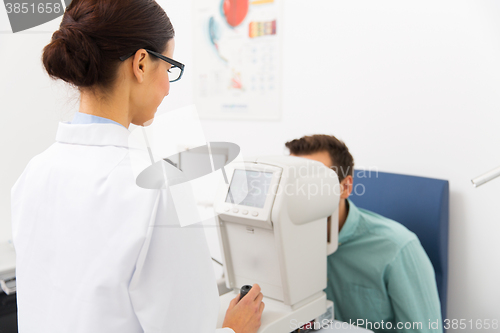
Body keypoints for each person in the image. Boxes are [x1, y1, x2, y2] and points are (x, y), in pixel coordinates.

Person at [11, 1, 263, 332]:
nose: (168, 87)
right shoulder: (159, 186)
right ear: (141, 64)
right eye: (170, 67)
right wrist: (234, 330)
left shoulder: (34, 172)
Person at [285, 134, 442, 333]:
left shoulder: (397, 247)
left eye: (313, 181)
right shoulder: (284, 241)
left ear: (345, 187)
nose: (300, 192)